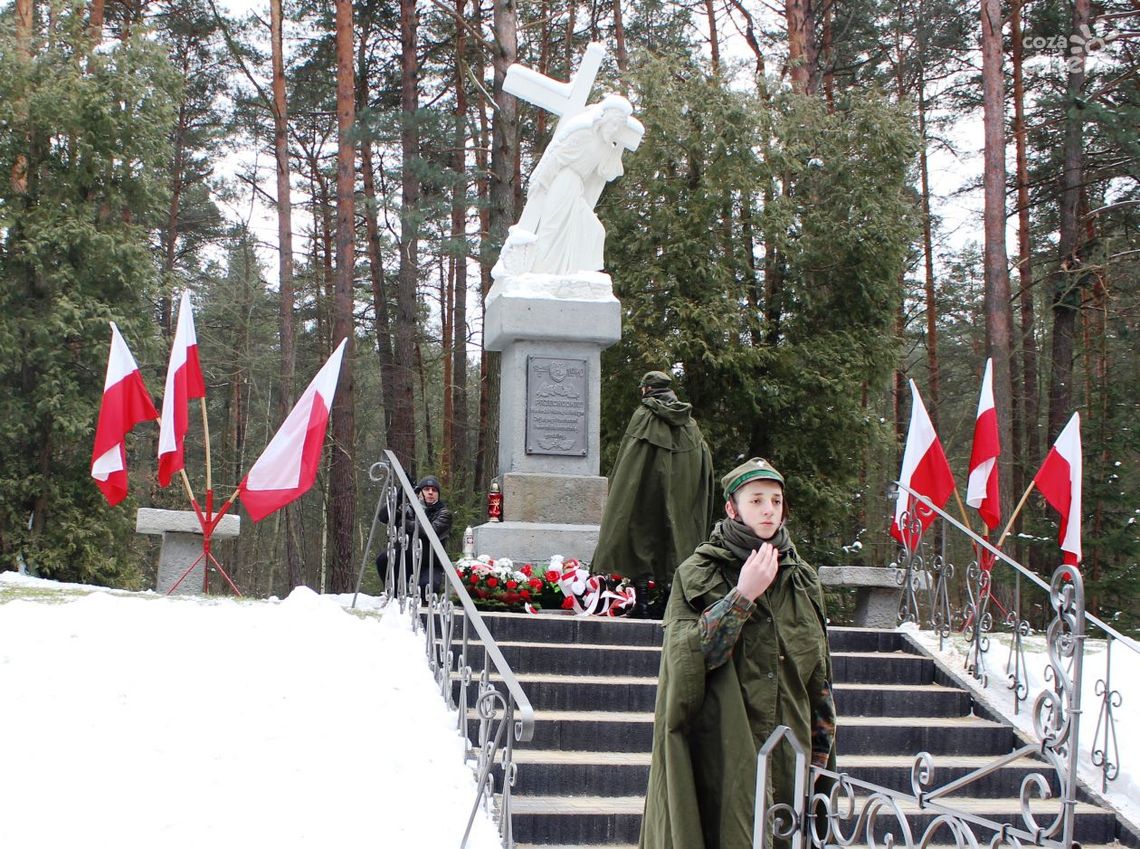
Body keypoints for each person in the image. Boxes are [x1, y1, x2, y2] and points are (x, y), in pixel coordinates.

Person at [638, 458, 836, 849]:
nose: (768, 510)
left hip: (789, 747)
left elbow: (819, 676)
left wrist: (819, 755)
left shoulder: (801, 579)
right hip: (723, 748)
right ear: (732, 507)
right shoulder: (699, 572)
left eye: (776, 501)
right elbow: (690, 661)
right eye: (757, 500)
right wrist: (743, 595)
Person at [591, 370, 714, 617]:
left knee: (640, 537)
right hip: (682, 499)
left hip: (646, 493)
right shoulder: (689, 423)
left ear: (647, 390)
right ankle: (668, 603)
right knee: (676, 541)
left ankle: (643, 603)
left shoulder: (644, 416)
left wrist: (623, 495)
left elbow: (629, 463)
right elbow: (704, 465)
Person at [493, 94, 643, 278]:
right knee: (552, 230)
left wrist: (619, 146)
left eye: (617, 128)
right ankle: (541, 273)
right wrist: (542, 182)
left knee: (594, 231)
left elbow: (608, 172)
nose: (613, 130)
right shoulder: (584, 134)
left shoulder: (605, 147)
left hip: (576, 189)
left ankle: (578, 274)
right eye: (613, 125)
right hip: (563, 183)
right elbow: (557, 158)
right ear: (604, 120)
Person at [375, 475, 454, 596]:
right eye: (426, 489)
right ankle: (394, 596)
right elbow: (384, 517)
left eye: (434, 490)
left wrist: (403, 523)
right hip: (405, 562)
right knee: (383, 559)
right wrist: (399, 498)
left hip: (430, 565)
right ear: (418, 493)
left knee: (426, 589)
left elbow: (431, 531)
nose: (430, 492)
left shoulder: (444, 513)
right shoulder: (407, 509)